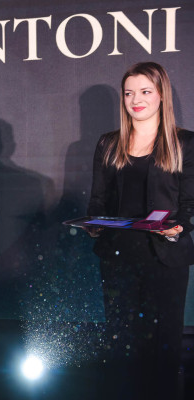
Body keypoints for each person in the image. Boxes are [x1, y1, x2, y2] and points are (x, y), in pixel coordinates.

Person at [87, 62, 194, 400]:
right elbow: (98, 201)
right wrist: (93, 225)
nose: (136, 100)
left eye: (145, 91)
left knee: (163, 347)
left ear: (161, 95)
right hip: (118, 261)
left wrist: (177, 228)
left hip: (165, 260)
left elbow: (189, 203)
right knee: (122, 346)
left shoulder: (185, 143)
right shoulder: (108, 143)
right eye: (129, 93)